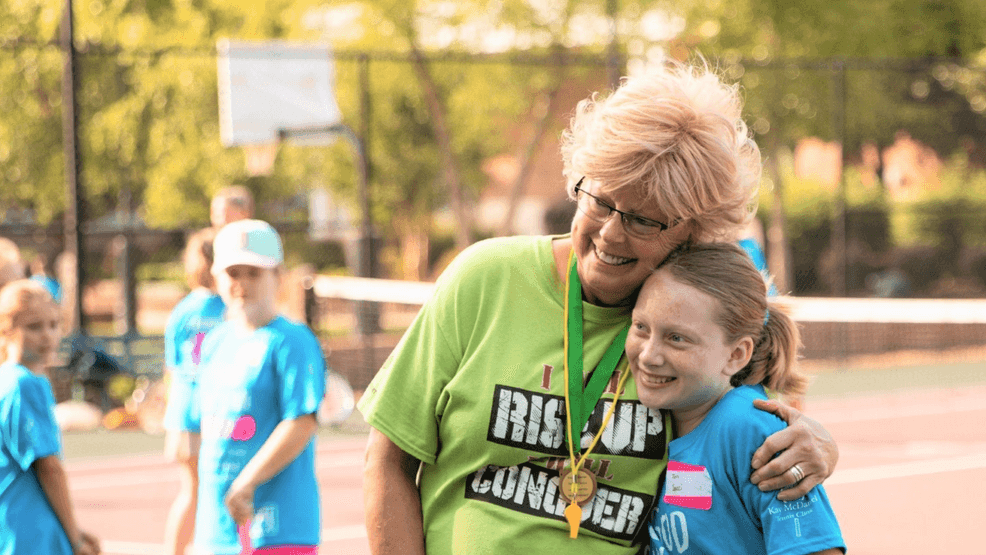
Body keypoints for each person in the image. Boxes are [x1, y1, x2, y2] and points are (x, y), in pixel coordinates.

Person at [358, 61, 839, 555]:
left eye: (643, 220)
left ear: (693, 232)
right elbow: (388, 459)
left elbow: (768, 441)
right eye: (600, 200)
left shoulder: (696, 330)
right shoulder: (484, 279)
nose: (611, 233)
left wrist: (817, 445)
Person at [626, 243, 845, 555]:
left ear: (736, 355)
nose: (648, 355)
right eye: (640, 327)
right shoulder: (662, 418)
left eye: (677, 338)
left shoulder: (749, 430)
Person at [190, 219, 325, 555]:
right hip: (215, 530)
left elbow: (302, 422)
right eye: (233, 273)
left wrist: (248, 481)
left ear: (277, 276)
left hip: (278, 529)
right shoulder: (214, 342)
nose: (242, 283)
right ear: (218, 279)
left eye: (254, 273)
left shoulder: (292, 341)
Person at [0, 280, 101, 555]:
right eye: (34, 326)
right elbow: (48, 467)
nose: (47, 335)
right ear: (6, 330)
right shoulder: (26, 384)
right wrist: (75, 540)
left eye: (54, 325)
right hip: (29, 531)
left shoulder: (7, 380)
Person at [162, 228, 226, 555]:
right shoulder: (229, 308)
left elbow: (171, 369)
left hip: (184, 411)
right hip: (211, 413)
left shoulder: (182, 310)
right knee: (208, 492)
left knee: (194, 491)